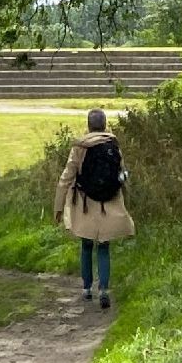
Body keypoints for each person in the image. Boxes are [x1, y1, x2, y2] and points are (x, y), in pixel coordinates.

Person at [54, 105, 133, 311]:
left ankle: (87, 288)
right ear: (104, 125)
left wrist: (58, 206)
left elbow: (66, 178)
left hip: (85, 203)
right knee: (104, 246)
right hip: (109, 202)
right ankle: (104, 289)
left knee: (86, 244)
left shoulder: (80, 147)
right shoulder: (113, 145)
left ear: (89, 126)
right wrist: (127, 200)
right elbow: (121, 174)